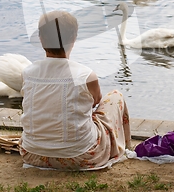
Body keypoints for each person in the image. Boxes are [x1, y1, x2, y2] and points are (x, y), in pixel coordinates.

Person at [19, 10, 131, 170]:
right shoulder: (86, 75)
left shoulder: (28, 73)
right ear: (73, 38)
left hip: (32, 154)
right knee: (115, 97)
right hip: (80, 156)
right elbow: (96, 102)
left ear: (41, 38)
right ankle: (126, 148)